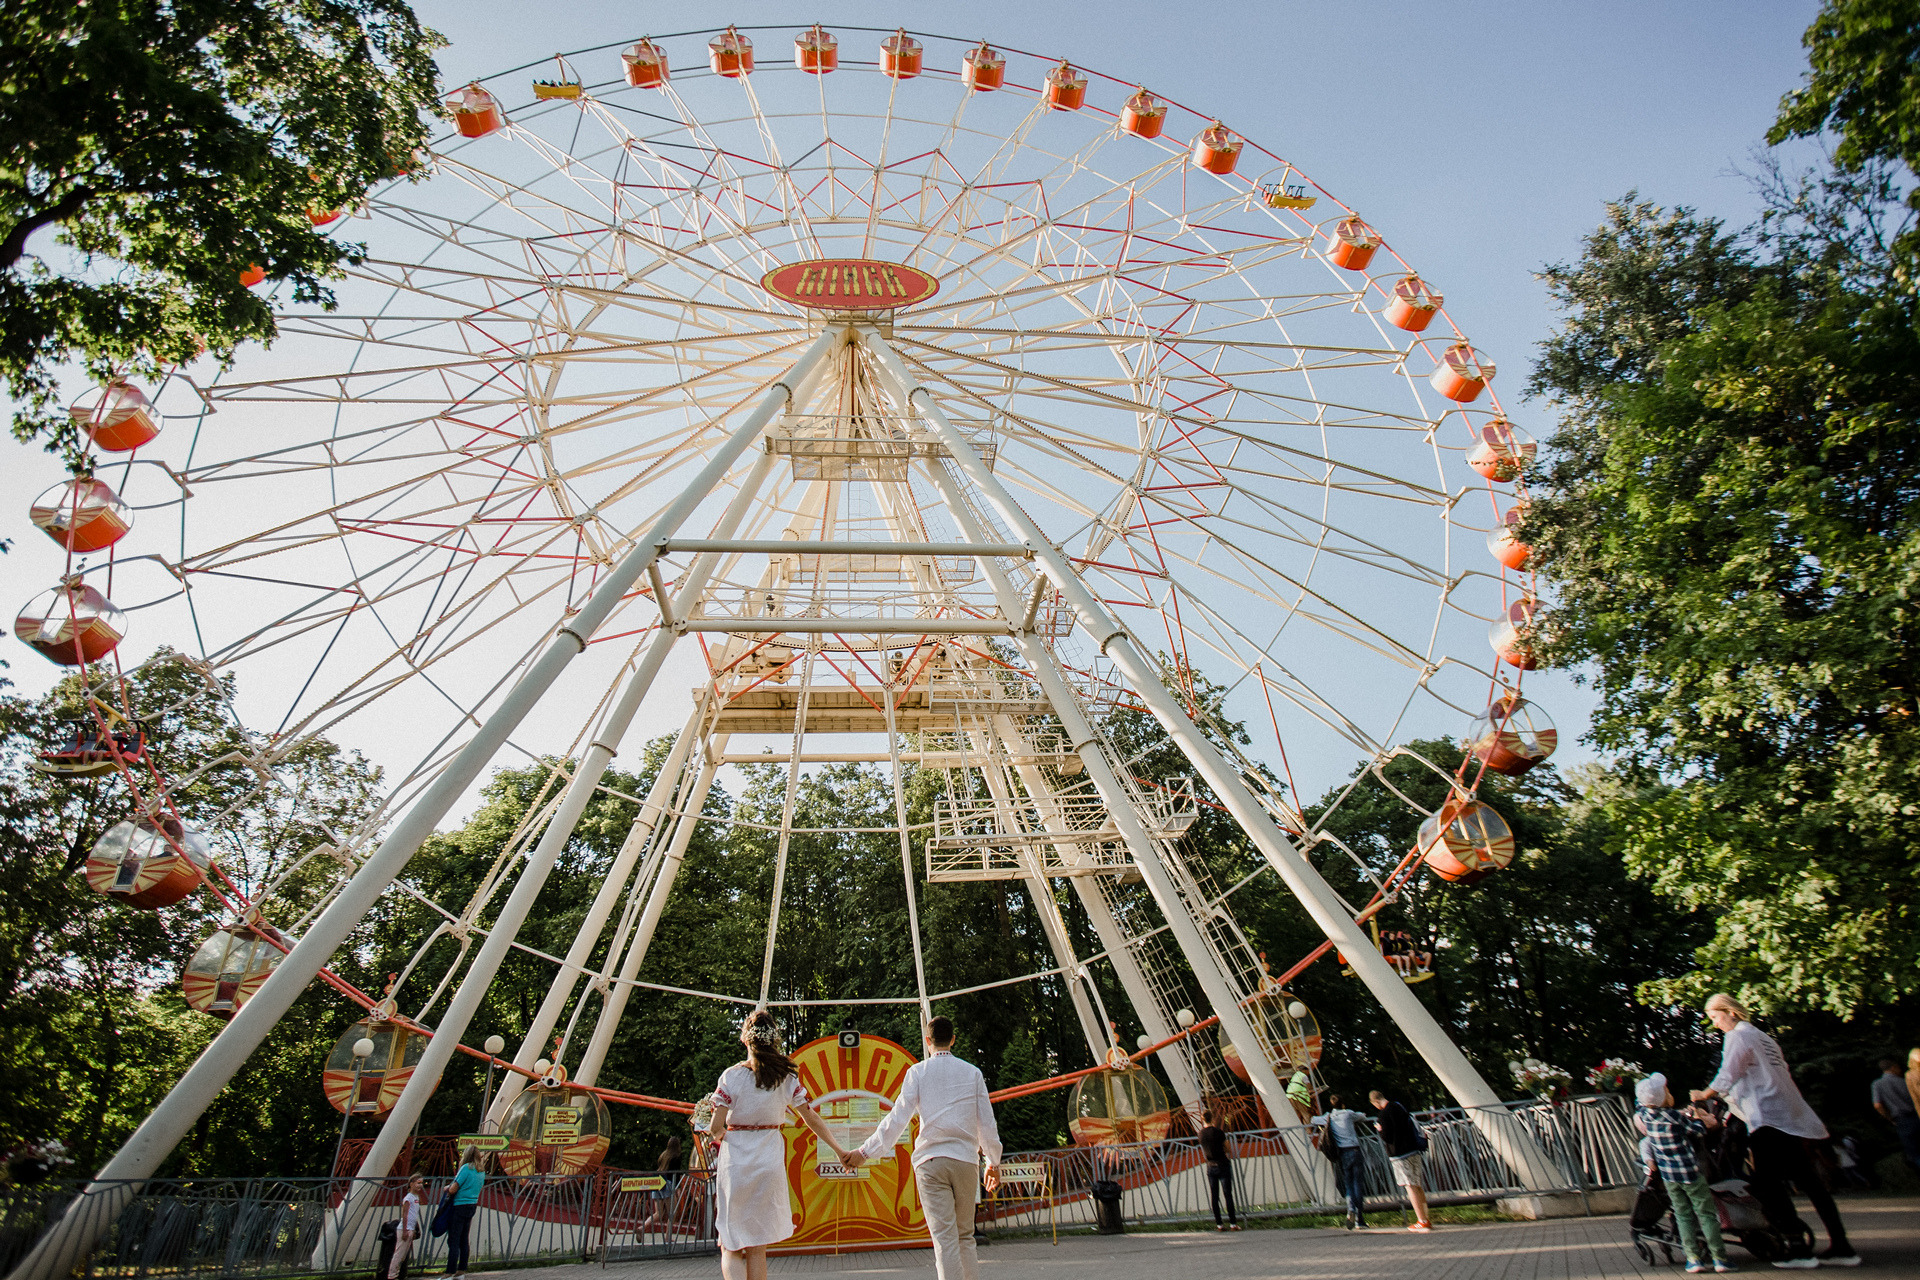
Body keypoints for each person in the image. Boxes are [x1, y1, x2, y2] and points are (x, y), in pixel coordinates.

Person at [1691, 993, 1857, 1269]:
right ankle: (1841, 1245)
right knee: (1810, 1182)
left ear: (1730, 1011)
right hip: (1789, 1116)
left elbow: (1727, 1075)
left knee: (1766, 1184)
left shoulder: (1738, 1037)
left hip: (1767, 1118)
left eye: (1715, 1017)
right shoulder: (1764, 1038)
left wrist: (1702, 1094)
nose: (1715, 1024)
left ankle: (1797, 1248)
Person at [845, 1016, 1001, 1280]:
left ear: (928, 1041)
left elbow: (897, 1119)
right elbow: (986, 1122)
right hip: (965, 1161)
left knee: (944, 1239)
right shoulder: (972, 1073)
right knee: (965, 1236)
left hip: (931, 1163)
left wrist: (864, 1153)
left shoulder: (917, 1073)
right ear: (953, 1039)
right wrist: (993, 1163)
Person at [709, 1011, 852, 1280]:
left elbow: (716, 1129)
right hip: (769, 1161)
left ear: (745, 1040)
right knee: (757, 1247)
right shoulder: (786, 1077)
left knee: (730, 1245)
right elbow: (810, 1117)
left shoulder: (731, 1077)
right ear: (774, 1039)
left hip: (736, 1164)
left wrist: (718, 1135)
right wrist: (839, 1150)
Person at [1636, 1073, 1734, 1274]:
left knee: (1682, 1215)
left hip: (1669, 1177)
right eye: (1667, 1091)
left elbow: (1643, 1106)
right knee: (1706, 1213)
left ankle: (1693, 1259)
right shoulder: (1674, 1116)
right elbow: (1698, 1130)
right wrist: (1697, 1115)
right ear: (1664, 1097)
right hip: (1690, 1174)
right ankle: (1720, 1258)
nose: (1670, 1093)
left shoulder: (1646, 1116)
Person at [1369, 1089, 1432, 1233]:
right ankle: (1426, 1218)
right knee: (1417, 1184)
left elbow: (1387, 1137)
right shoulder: (1398, 1106)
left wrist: (1379, 1129)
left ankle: (1421, 1221)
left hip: (1399, 1154)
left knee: (1409, 1186)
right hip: (1414, 1149)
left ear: (1375, 1102)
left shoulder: (1383, 1115)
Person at [1313, 1093, 1368, 1229]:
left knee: (1349, 1184)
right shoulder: (1348, 1114)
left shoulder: (1329, 1117)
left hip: (1342, 1153)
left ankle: (1350, 1208)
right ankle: (1360, 1220)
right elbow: (1362, 1116)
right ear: (1343, 1104)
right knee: (1357, 1184)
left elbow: (1313, 1120)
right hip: (1354, 1150)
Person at [1873, 1056, 1920, 1176]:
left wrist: (1889, 1117)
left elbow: (1878, 1105)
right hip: (1915, 1114)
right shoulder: (1904, 1081)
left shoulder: (1877, 1084)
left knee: (1914, 1152)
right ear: (1893, 1068)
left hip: (1901, 1119)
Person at [1197, 1108, 1239, 1231]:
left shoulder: (1200, 1134)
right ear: (1213, 1118)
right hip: (1223, 1164)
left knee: (1214, 1196)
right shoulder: (1218, 1132)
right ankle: (1233, 1224)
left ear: (1202, 1119)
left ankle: (1219, 1224)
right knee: (1227, 1194)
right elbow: (1227, 1148)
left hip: (1210, 1166)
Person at [445, 1147, 484, 1280]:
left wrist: (447, 1188)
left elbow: (453, 1188)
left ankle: (449, 1273)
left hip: (460, 1205)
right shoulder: (481, 1171)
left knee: (454, 1239)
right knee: (464, 1239)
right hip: (472, 1205)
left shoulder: (466, 1168)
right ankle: (461, 1271)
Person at [389, 1172, 426, 1280]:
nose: (420, 1185)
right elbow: (404, 1215)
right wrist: (405, 1230)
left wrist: (414, 1229)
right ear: (411, 1184)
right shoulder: (408, 1198)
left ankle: (397, 1273)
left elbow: (414, 1215)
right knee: (399, 1254)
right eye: (418, 1183)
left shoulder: (416, 1197)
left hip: (410, 1228)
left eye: (422, 1183)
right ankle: (392, 1275)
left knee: (403, 1255)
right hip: (404, 1229)